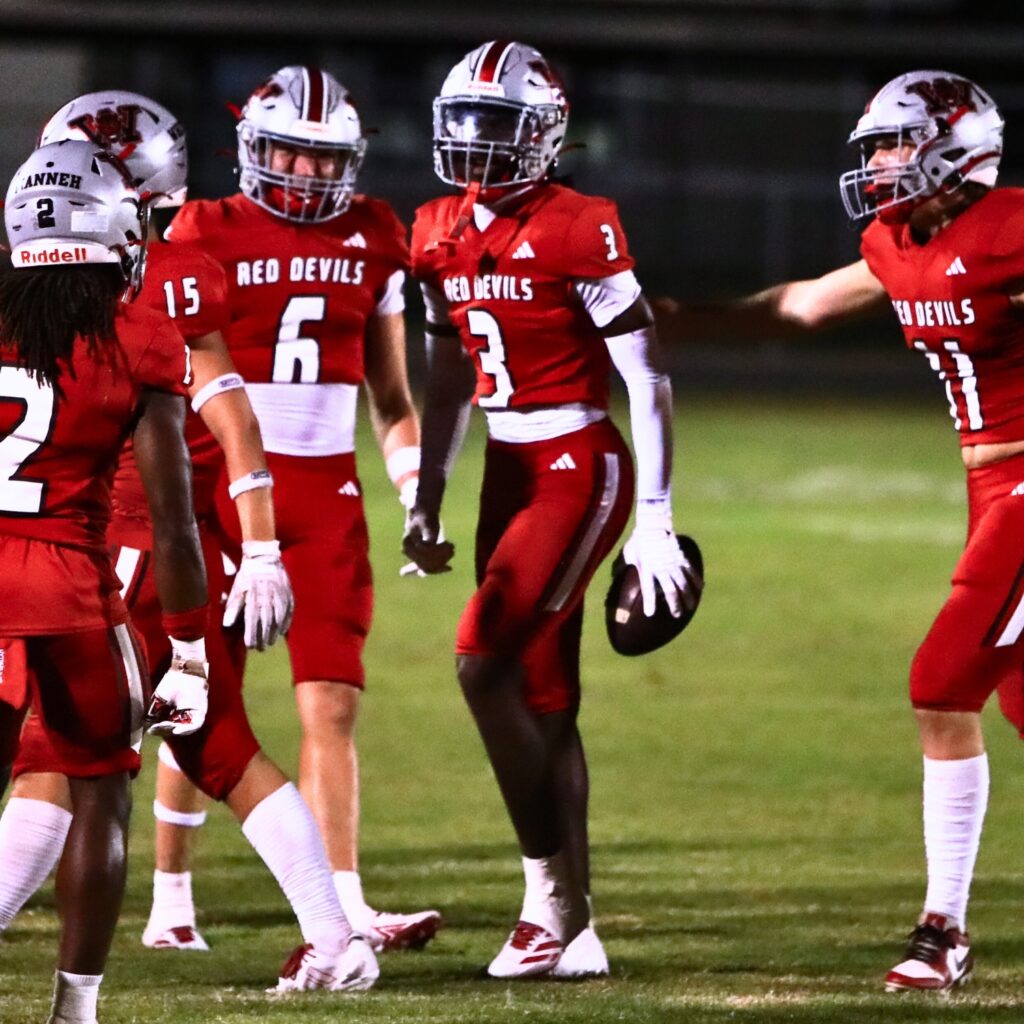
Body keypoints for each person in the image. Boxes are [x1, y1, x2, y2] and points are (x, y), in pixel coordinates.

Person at [0, 93, 379, 994]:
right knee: (75, 758)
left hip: (111, 555)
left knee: (156, 748)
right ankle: (329, 936)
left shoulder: (151, 293)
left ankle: (333, 936)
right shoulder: (155, 287)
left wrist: (258, 547)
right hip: (107, 551)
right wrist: (252, 543)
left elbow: (227, 413)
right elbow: (227, 420)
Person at [654, 70, 1015, 993]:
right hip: (988, 492)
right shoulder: (895, 242)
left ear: (959, 148)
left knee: (942, 682)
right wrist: (675, 322)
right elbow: (803, 304)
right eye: (879, 148)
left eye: (899, 144)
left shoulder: (1012, 226)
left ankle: (943, 928)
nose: (883, 164)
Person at [404, 40, 696, 978]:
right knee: (546, 699)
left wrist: (654, 514)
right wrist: (430, 489)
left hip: (578, 460)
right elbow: (449, 373)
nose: (475, 142)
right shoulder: (436, 227)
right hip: (507, 465)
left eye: (498, 124)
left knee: (481, 661)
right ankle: (576, 926)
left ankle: (548, 904)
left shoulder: (579, 224)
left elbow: (644, 374)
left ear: (546, 134)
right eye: (464, 122)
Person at [165, 64, 441, 950]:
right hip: (216, 481)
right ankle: (172, 902)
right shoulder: (202, 225)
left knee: (331, 703)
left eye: (327, 160)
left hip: (326, 493)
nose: (310, 175)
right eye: (292, 152)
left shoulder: (376, 232)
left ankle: (347, 906)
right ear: (253, 147)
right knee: (203, 690)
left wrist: (415, 494)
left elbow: (392, 400)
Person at [0, 138, 208, 1024]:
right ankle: (74, 1010)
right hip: (71, 589)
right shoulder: (139, 334)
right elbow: (172, 519)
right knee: (100, 785)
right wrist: (191, 648)